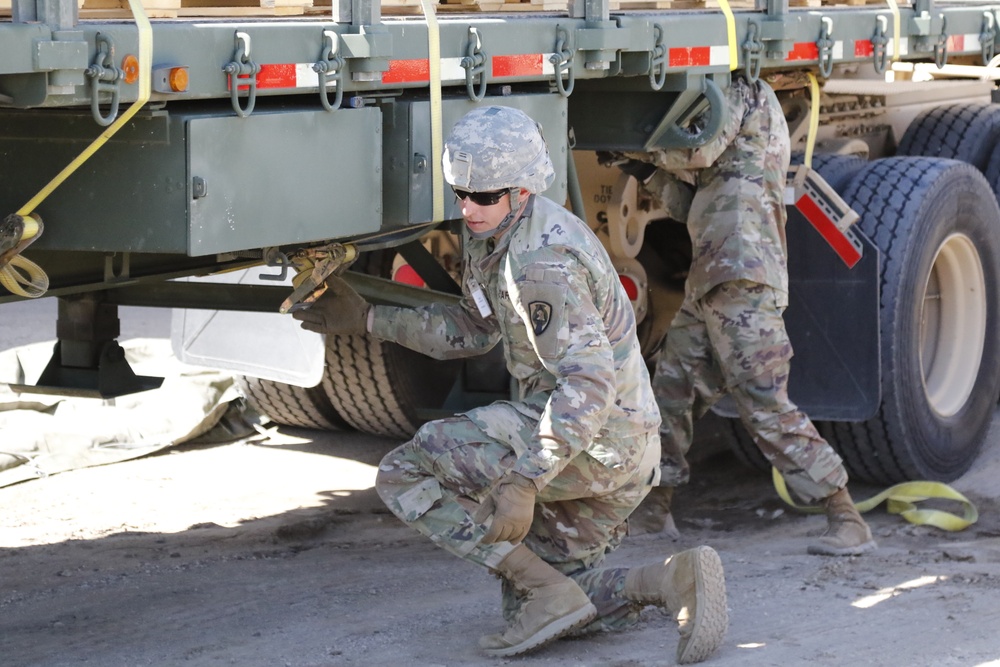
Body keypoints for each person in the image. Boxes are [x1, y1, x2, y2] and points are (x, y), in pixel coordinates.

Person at [293, 105, 729, 663]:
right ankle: (669, 580)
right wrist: (371, 319)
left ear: (521, 190)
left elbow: (586, 385)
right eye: (461, 193)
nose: (468, 209)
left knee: (406, 471)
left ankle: (548, 589)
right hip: (609, 443)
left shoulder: (541, 261)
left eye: (484, 195)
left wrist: (524, 482)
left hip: (596, 441)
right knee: (549, 602)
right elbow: (475, 330)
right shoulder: (496, 229)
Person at [601, 74, 877, 557]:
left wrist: (636, 144)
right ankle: (654, 510)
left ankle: (845, 515)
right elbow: (695, 204)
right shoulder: (734, 144)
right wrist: (638, 168)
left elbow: (697, 153)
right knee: (672, 392)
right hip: (712, 279)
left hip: (744, 276)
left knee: (763, 402)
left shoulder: (742, 90)